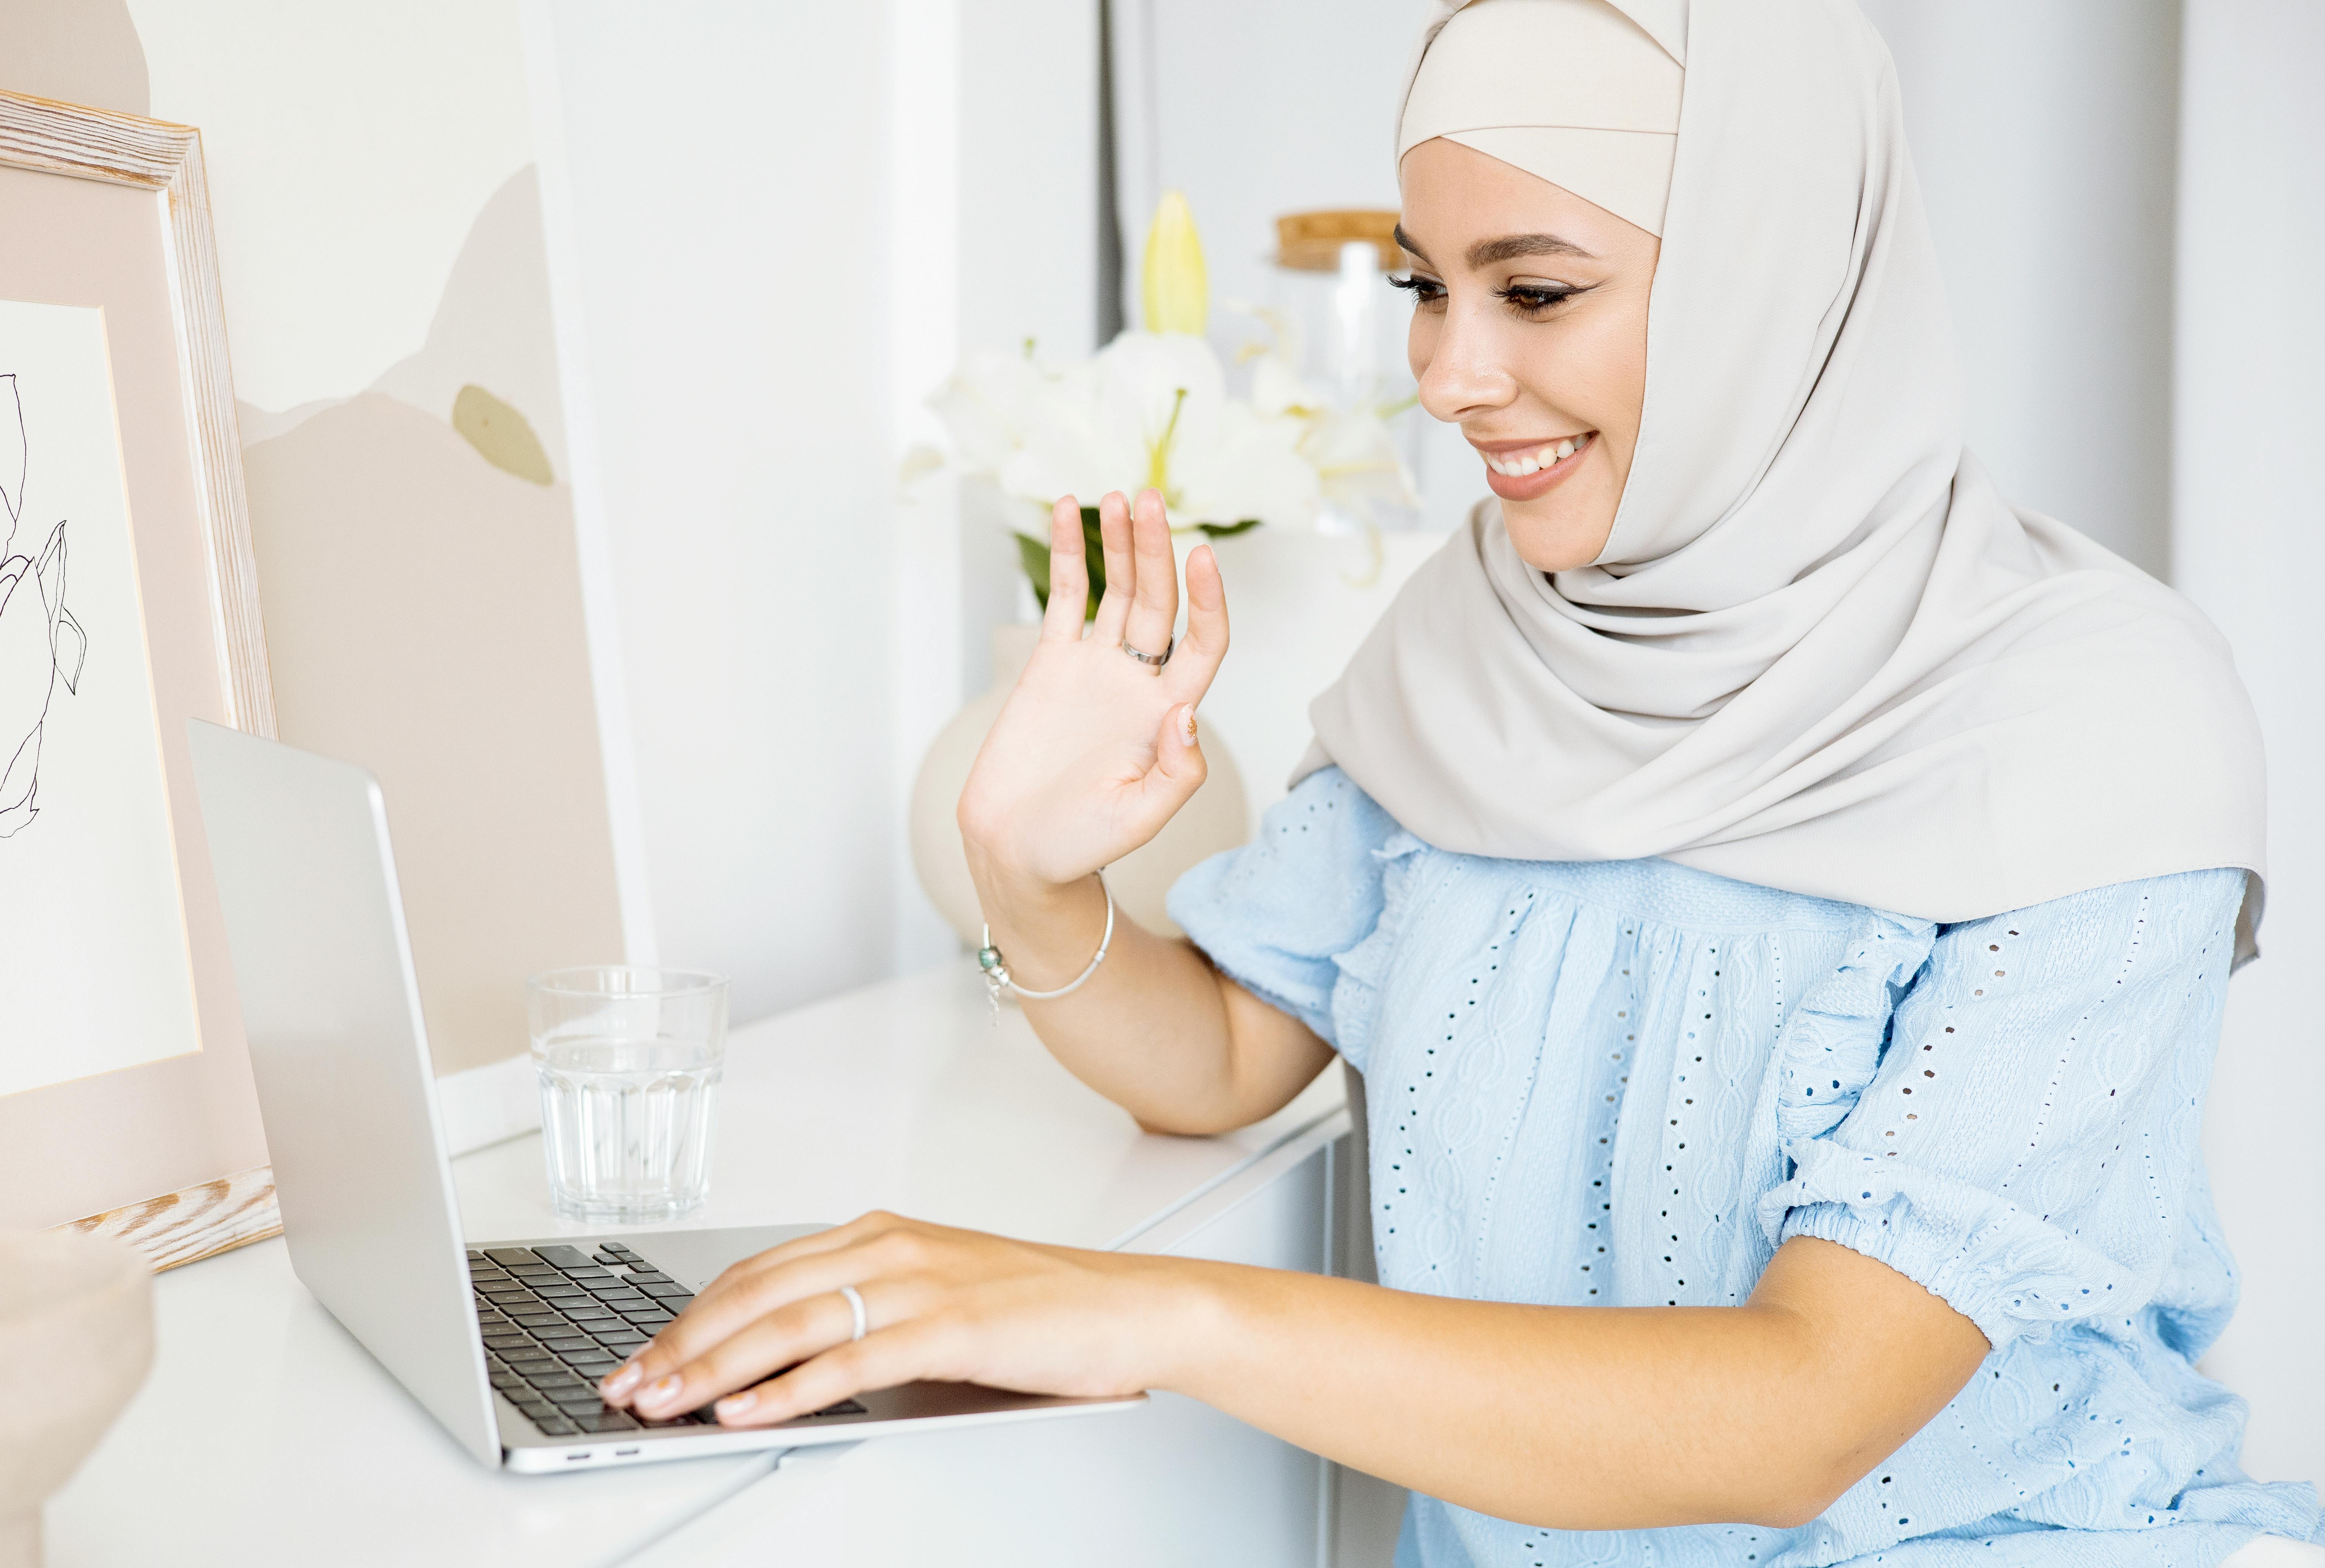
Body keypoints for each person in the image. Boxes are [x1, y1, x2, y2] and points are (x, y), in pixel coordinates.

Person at [599, 0, 2324, 1561]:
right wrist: (1027, 869)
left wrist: (1138, 1314)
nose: (1446, 376)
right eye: (1430, 282)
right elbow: (1222, 1056)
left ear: (1774, 271)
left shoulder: (2099, 715)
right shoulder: (1478, 638)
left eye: (1538, 288)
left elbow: (1806, 1411)